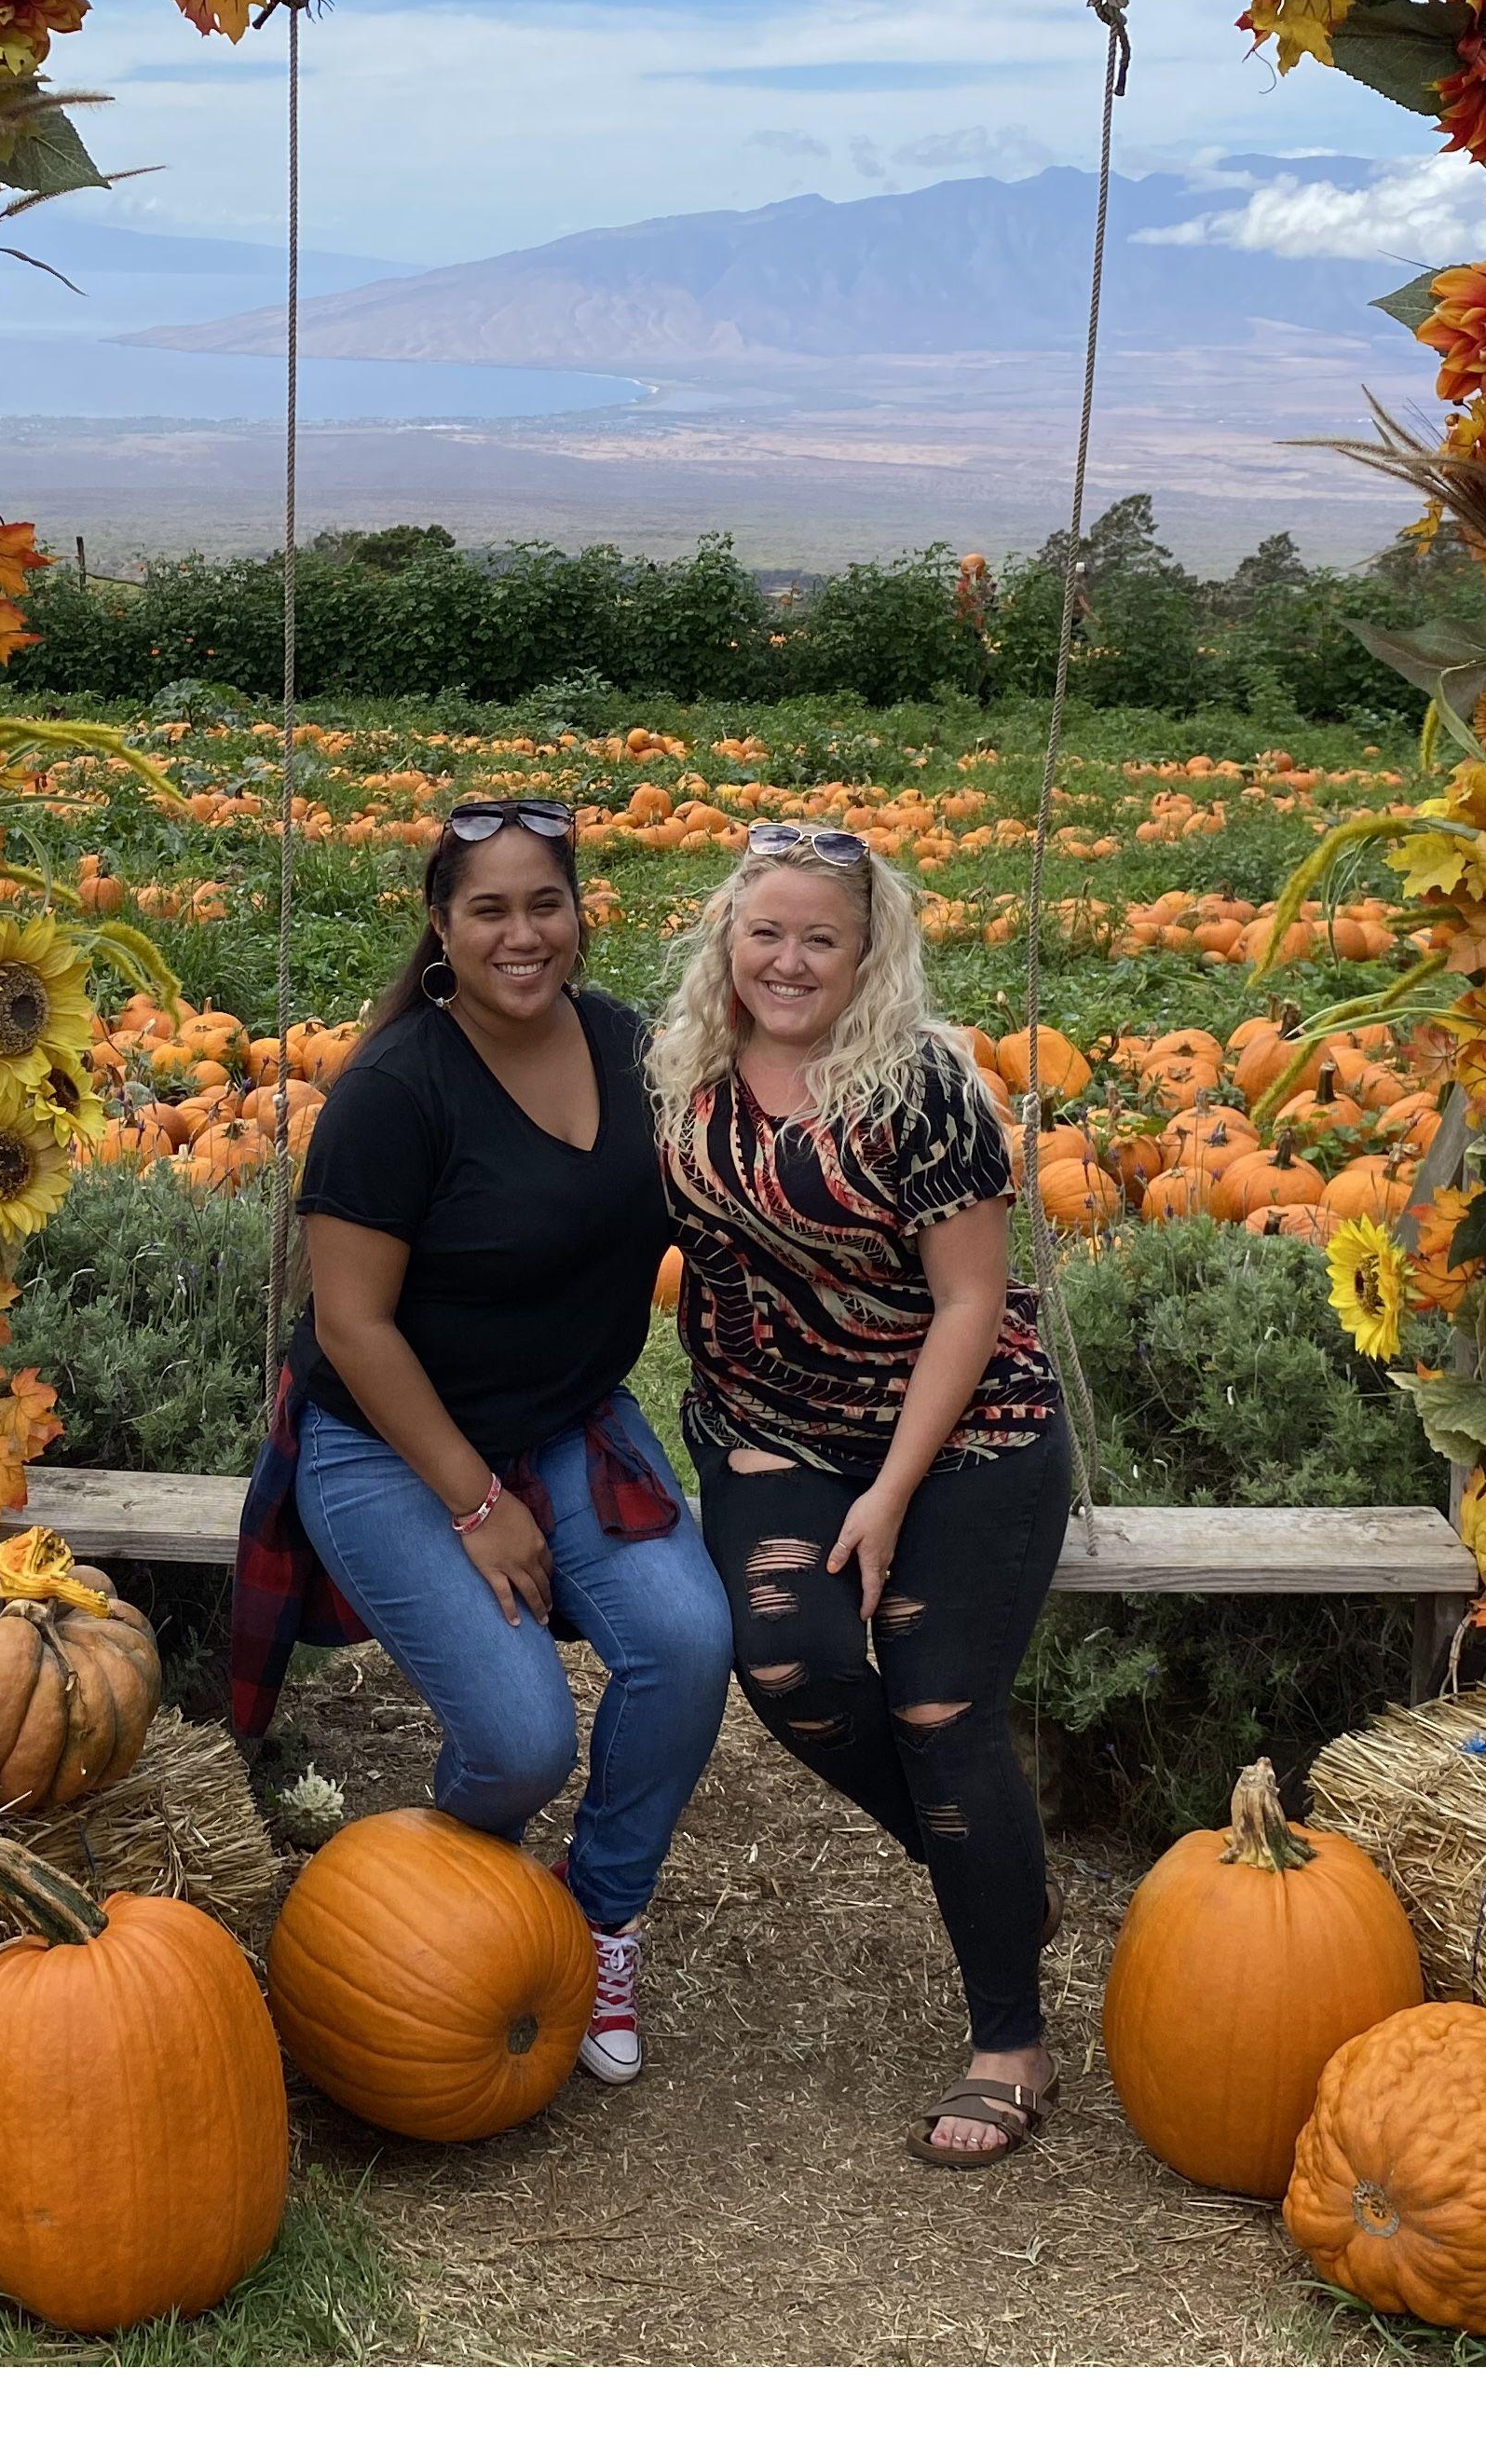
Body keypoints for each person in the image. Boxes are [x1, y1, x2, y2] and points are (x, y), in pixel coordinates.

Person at [240, 799, 732, 2088]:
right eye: (490, 909)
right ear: (442, 931)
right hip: (393, 1444)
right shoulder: (395, 1094)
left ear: (579, 914)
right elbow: (350, 1325)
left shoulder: (630, 1048)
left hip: (568, 1419)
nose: (523, 933)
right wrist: (474, 1504)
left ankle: (592, 1917)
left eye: (545, 903)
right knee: (520, 1742)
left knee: (687, 1645)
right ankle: (430, 1943)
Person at [649, 824, 1075, 2167]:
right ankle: (992, 1871)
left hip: (964, 1432)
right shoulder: (675, 1072)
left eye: (820, 939)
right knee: (788, 1664)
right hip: (771, 1430)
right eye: (765, 932)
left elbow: (972, 1302)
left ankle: (1011, 2031)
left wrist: (890, 1492)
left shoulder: (923, 1093)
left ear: (867, 951)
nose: (788, 961)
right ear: (729, 935)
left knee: (939, 1707)